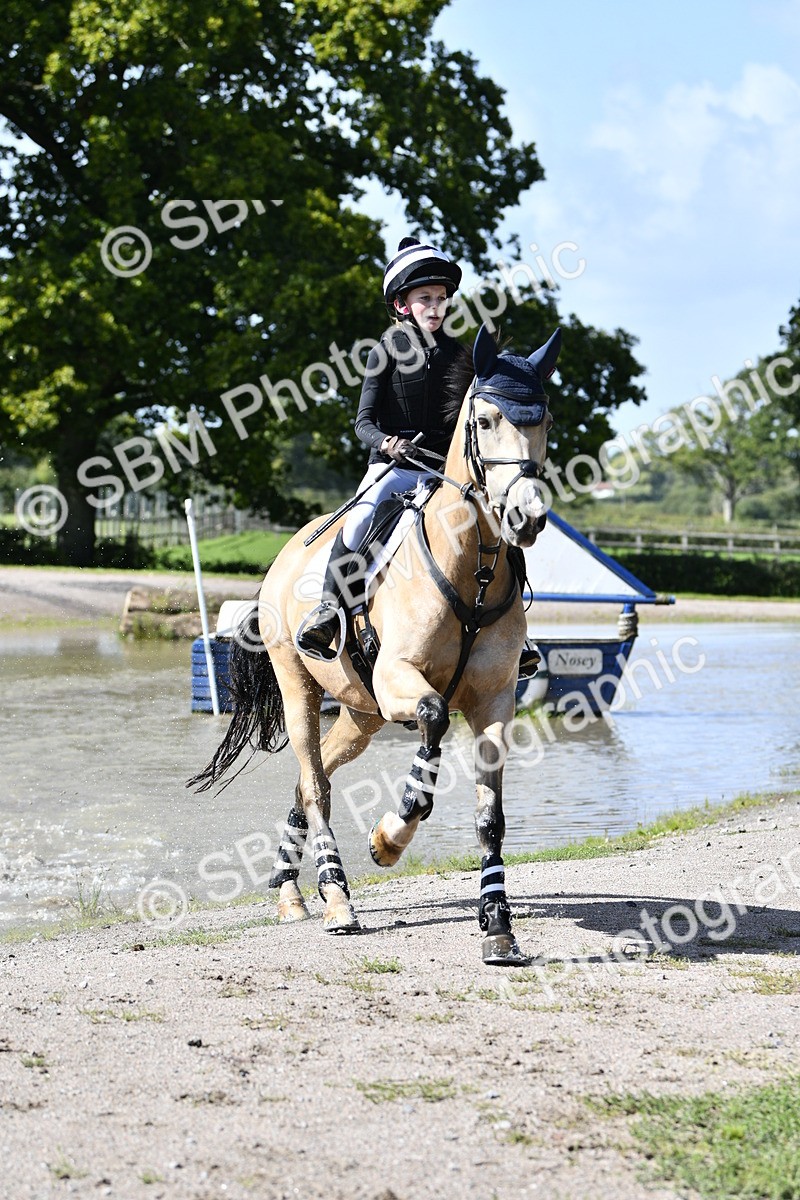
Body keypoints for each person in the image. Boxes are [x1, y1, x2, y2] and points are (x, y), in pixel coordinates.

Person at [296, 237, 463, 660]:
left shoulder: (462, 355)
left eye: (441, 298)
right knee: (358, 522)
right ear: (402, 305)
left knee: (493, 520)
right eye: (425, 299)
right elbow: (363, 423)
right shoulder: (385, 350)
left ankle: (515, 630)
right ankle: (327, 612)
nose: (436, 307)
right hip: (395, 467)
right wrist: (389, 443)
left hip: (444, 473)